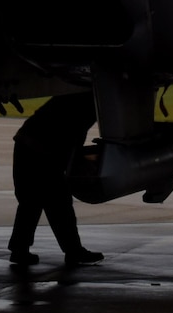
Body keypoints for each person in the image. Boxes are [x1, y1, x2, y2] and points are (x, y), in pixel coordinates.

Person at [7, 92, 104, 268]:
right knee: (58, 202)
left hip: (28, 145)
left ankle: (20, 249)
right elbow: (72, 135)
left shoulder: (78, 96)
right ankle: (72, 250)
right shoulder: (89, 104)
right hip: (40, 150)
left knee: (31, 202)